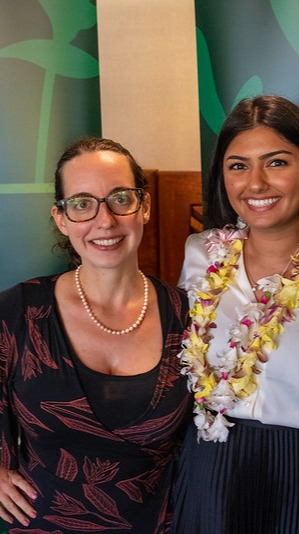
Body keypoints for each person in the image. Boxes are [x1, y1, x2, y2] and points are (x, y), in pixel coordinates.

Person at [172, 95, 299, 533]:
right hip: (212, 464)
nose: (255, 183)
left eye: (276, 163)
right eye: (237, 166)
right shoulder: (201, 254)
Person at [0, 137, 192, 533]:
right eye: (82, 204)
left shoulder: (190, 316)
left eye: (120, 198)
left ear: (146, 206)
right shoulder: (17, 312)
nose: (105, 221)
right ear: (61, 218)